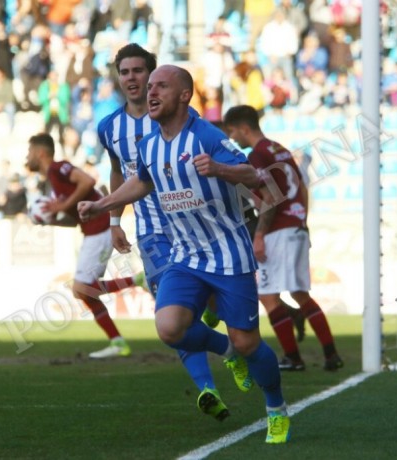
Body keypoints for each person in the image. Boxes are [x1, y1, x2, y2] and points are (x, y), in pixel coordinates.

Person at [79, 65, 290, 444]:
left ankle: (275, 406)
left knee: (248, 342)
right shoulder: (149, 144)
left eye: (160, 86)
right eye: (149, 87)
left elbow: (255, 176)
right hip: (184, 256)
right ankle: (227, 351)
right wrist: (104, 206)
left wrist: (221, 168)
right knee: (169, 327)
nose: (150, 92)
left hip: (228, 255)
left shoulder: (206, 135)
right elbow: (142, 182)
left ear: (183, 96)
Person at [98, 43, 250, 423]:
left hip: (200, 228)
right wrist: (115, 219)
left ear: (154, 78)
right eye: (125, 72)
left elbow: (210, 153)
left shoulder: (175, 115)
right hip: (154, 235)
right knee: (173, 319)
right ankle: (208, 387)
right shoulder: (109, 128)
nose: (133, 79)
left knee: (208, 309)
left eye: (140, 72)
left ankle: (232, 346)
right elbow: (121, 173)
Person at [223, 104, 344, 372]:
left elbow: (270, 197)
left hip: (279, 230)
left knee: (267, 295)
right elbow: (300, 186)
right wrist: (302, 221)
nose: (233, 139)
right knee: (300, 293)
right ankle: (331, 354)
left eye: (233, 133)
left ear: (244, 128)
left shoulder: (258, 154)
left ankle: (293, 357)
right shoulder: (280, 149)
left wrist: (260, 235)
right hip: (296, 226)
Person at [26, 132, 143, 358]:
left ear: (40, 153)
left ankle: (137, 282)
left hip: (100, 229)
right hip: (93, 229)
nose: (27, 156)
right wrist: (53, 221)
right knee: (84, 291)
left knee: (82, 289)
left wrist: (61, 207)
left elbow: (87, 180)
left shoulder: (58, 168)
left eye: (30, 152)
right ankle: (118, 341)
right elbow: (78, 217)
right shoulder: (54, 181)